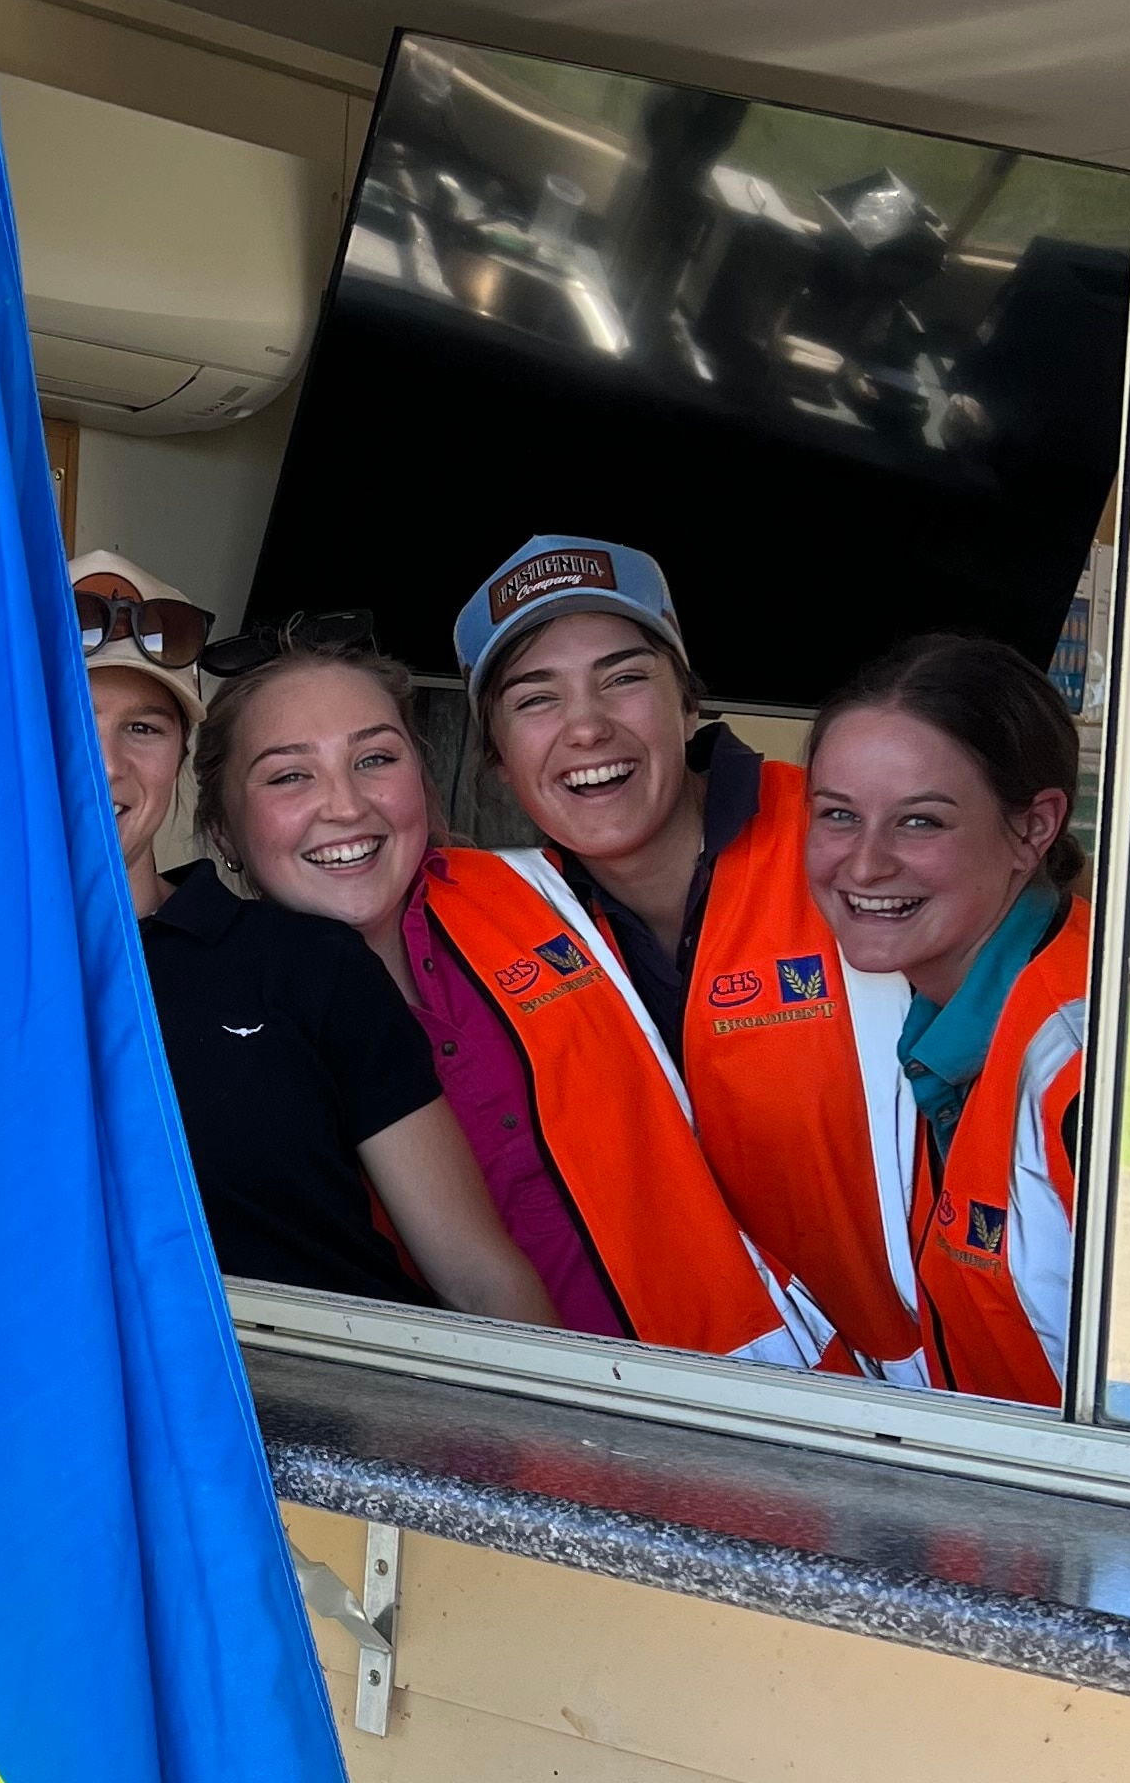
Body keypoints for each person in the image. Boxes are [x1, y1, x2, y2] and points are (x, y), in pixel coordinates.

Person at [430, 534, 909, 1375]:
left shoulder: (846, 841)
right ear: (498, 762)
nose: (587, 726)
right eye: (536, 700)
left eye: (623, 678)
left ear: (688, 705)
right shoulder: (499, 920)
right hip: (716, 1404)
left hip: (963, 1393)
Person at [187, 634, 627, 1334]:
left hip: (729, 1370)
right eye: (290, 776)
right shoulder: (207, 1026)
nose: (345, 806)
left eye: (375, 760)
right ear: (222, 832)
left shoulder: (550, 897)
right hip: (463, 1394)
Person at [805, 635, 1089, 1402]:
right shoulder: (946, 1020)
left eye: (920, 822)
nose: (865, 864)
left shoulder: (1084, 1075)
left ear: (1033, 829)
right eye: (839, 815)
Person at [70, 544, 209, 920]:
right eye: (69, 725)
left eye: (142, 728)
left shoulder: (285, 950)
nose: (108, 766)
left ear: (181, 755)